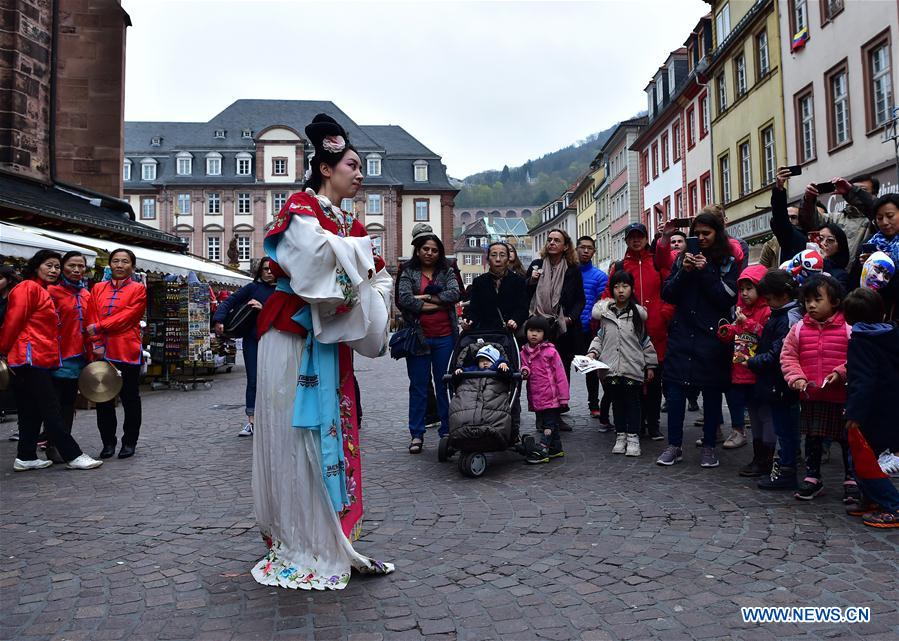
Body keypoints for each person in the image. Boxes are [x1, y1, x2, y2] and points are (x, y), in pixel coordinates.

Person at [251, 113, 394, 589]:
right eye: (353, 165)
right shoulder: (300, 207)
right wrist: (355, 259)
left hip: (330, 338)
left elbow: (378, 277)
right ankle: (301, 535)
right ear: (326, 168)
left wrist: (357, 265)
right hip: (292, 333)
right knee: (298, 435)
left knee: (331, 428)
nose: (360, 175)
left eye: (362, 167)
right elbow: (311, 266)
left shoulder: (350, 223)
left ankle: (329, 531)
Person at [0, 250, 102, 471]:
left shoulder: (40, 289)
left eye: (56, 266)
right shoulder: (29, 288)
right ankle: (73, 455)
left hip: (35, 357)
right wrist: (3, 351)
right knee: (51, 409)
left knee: (30, 409)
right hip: (29, 357)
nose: (54, 270)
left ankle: (26, 456)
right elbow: (13, 322)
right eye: (49, 265)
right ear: (37, 266)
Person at [658, 214, 739, 468]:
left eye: (707, 233)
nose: (701, 238)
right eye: (697, 234)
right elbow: (667, 293)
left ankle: (709, 446)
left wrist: (707, 272)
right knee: (674, 392)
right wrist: (684, 272)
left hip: (712, 337)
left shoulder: (727, 261)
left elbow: (726, 298)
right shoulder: (681, 259)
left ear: (717, 234)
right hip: (682, 334)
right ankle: (674, 445)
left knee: (712, 392)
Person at [780, 274, 856, 501]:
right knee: (813, 437)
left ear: (835, 301)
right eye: (807, 300)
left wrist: (841, 372)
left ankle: (852, 478)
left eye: (817, 299)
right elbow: (788, 356)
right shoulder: (799, 329)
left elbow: (857, 358)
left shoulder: (848, 328)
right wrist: (796, 378)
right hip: (812, 395)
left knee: (847, 439)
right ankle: (813, 477)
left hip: (841, 395)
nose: (811, 305)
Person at [604, 223, 672, 438]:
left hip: (656, 330)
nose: (636, 240)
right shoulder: (620, 266)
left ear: (645, 238)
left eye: (640, 236)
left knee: (654, 380)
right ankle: (637, 422)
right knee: (633, 380)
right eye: (631, 237)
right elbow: (608, 295)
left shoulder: (656, 262)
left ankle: (653, 423)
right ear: (626, 240)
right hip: (628, 333)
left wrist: (664, 313)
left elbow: (670, 289)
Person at [397, 224, 460, 454]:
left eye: (434, 250)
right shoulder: (408, 271)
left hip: (445, 337)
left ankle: (447, 431)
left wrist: (423, 299)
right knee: (419, 387)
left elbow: (455, 294)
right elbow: (405, 299)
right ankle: (417, 434)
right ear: (418, 250)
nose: (430, 253)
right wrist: (438, 304)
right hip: (418, 338)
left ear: (439, 252)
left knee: (445, 385)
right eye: (426, 249)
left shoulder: (447, 270)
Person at [842, 287, 899, 527]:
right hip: (891, 409)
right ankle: (871, 499)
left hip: (872, 413)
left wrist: (854, 414)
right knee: (869, 457)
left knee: (863, 459)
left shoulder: (861, 343)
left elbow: (863, 382)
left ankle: (892, 505)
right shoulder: (892, 335)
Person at [586, 270, 657, 457]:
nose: (620, 290)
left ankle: (633, 437)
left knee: (633, 403)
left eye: (625, 286)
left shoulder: (637, 315)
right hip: (611, 368)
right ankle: (621, 436)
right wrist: (593, 352)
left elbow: (645, 342)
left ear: (631, 288)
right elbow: (600, 338)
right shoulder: (606, 315)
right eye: (616, 286)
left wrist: (650, 365)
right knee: (616, 403)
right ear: (612, 290)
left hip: (632, 367)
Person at [87, 248, 147, 460]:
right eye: (116, 261)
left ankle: (129, 442)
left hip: (127, 350)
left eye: (125, 261)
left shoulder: (139, 289)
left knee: (130, 399)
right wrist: (96, 342)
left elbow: (129, 317)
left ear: (132, 266)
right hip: (102, 351)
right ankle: (108, 442)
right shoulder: (97, 288)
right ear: (110, 264)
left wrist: (100, 326)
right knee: (103, 399)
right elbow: (91, 315)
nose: (120, 265)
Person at [748, 270, 803, 490]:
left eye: (770, 298)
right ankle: (788, 465)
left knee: (785, 429)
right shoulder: (781, 314)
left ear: (783, 295)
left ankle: (787, 469)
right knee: (786, 427)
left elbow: (777, 353)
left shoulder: (787, 318)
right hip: (777, 382)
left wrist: (752, 361)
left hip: (781, 383)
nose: (767, 303)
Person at [46, 251, 103, 462]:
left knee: (68, 403)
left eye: (81, 266)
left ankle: (59, 444)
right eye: (72, 265)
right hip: (55, 356)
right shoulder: (50, 291)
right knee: (54, 404)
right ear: (63, 267)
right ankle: (51, 443)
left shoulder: (87, 294)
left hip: (79, 357)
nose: (77, 270)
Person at [525, 229, 584, 430]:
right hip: (538, 324)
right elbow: (525, 293)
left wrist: (570, 318)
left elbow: (580, 299)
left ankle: (557, 414)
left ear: (565, 246)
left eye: (556, 240)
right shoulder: (537, 265)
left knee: (559, 370)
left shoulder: (572, 269)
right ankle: (540, 416)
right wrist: (531, 280)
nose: (551, 243)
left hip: (561, 327)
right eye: (549, 240)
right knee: (538, 372)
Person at [716, 265, 773, 471]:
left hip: (759, 372)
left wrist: (746, 323)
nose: (745, 293)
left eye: (750, 288)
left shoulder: (766, 311)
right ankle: (758, 456)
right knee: (754, 415)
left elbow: (765, 336)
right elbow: (738, 333)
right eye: (742, 290)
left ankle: (768, 457)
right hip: (743, 371)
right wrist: (727, 331)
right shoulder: (741, 310)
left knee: (765, 415)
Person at [213, 257, 276, 437]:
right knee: (253, 380)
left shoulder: (283, 290)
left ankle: (273, 419)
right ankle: (252, 421)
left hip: (275, 340)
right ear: (259, 271)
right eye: (265, 269)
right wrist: (219, 319)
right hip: (252, 340)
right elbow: (229, 301)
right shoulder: (252, 288)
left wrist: (264, 308)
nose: (268, 272)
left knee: (274, 380)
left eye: (271, 269)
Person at [520, 316, 568, 464]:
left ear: (544, 334)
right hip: (537, 396)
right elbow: (524, 366)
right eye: (531, 330)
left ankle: (543, 448)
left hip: (551, 396)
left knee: (548, 424)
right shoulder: (524, 352)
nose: (534, 334)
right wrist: (524, 370)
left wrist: (563, 397)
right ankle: (556, 448)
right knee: (548, 422)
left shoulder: (550, 352)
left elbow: (560, 375)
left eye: (538, 331)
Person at [575, 236, 609, 420]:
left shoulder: (600, 276)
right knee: (561, 366)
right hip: (570, 327)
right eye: (582, 247)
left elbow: (602, 304)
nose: (586, 251)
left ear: (594, 252)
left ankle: (594, 403)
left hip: (590, 328)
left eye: (589, 248)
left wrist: (591, 320)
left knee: (592, 368)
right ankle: (561, 404)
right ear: (576, 249)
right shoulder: (569, 273)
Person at [462, 242, 527, 332]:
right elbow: (474, 309)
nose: (498, 259)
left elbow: (523, 308)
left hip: (509, 332)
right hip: (485, 332)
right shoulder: (479, 281)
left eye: (502, 255)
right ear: (488, 259)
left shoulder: (518, 281)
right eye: (493, 255)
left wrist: (515, 320)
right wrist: (469, 321)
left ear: (508, 259)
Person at [859, 194, 899, 320]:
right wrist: (867, 267)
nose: (884, 222)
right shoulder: (870, 242)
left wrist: (886, 265)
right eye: (879, 218)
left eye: (890, 216)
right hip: (874, 310)